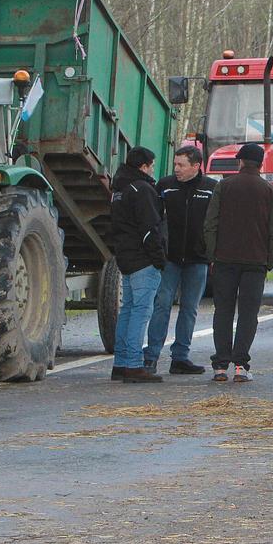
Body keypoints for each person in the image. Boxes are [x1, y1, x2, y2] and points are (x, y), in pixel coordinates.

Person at [204, 143, 273, 383]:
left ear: (240, 162)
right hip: (255, 262)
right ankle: (240, 365)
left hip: (225, 260)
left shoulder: (223, 187)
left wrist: (212, 256)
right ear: (260, 164)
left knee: (223, 311)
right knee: (248, 314)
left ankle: (220, 366)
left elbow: (210, 224)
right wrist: (268, 261)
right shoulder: (269, 191)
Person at [143, 145, 216, 375]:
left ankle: (180, 357)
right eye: (175, 164)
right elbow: (154, 219)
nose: (176, 169)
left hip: (198, 259)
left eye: (181, 165)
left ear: (196, 166)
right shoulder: (164, 186)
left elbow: (217, 223)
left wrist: (212, 252)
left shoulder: (212, 188)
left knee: (190, 308)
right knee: (162, 304)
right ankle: (151, 356)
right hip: (170, 258)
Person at [110, 147, 166, 384]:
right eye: (151, 165)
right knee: (141, 312)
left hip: (125, 256)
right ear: (143, 166)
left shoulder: (119, 190)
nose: (152, 169)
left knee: (128, 310)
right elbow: (150, 228)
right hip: (143, 259)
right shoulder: (142, 190)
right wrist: (159, 258)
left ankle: (120, 362)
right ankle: (134, 364)